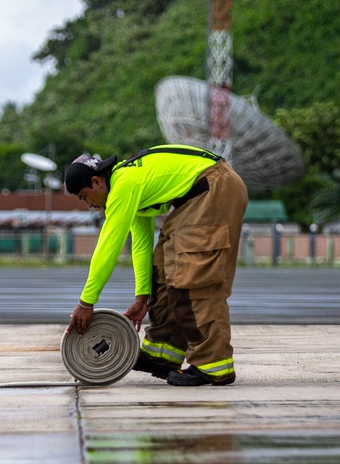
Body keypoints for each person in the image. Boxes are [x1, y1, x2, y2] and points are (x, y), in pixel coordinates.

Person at [63, 144, 248, 386]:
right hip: (198, 197)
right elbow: (140, 245)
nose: (89, 205)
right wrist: (142, 296)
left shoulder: (125, 184)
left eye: (84, 197)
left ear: (97, 182)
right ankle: (162, 353)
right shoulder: (131, 186)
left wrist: (86, 301)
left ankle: (213, 365)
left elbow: (108, 245)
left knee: (191, 278)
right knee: (161, 269)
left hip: (214, 188)